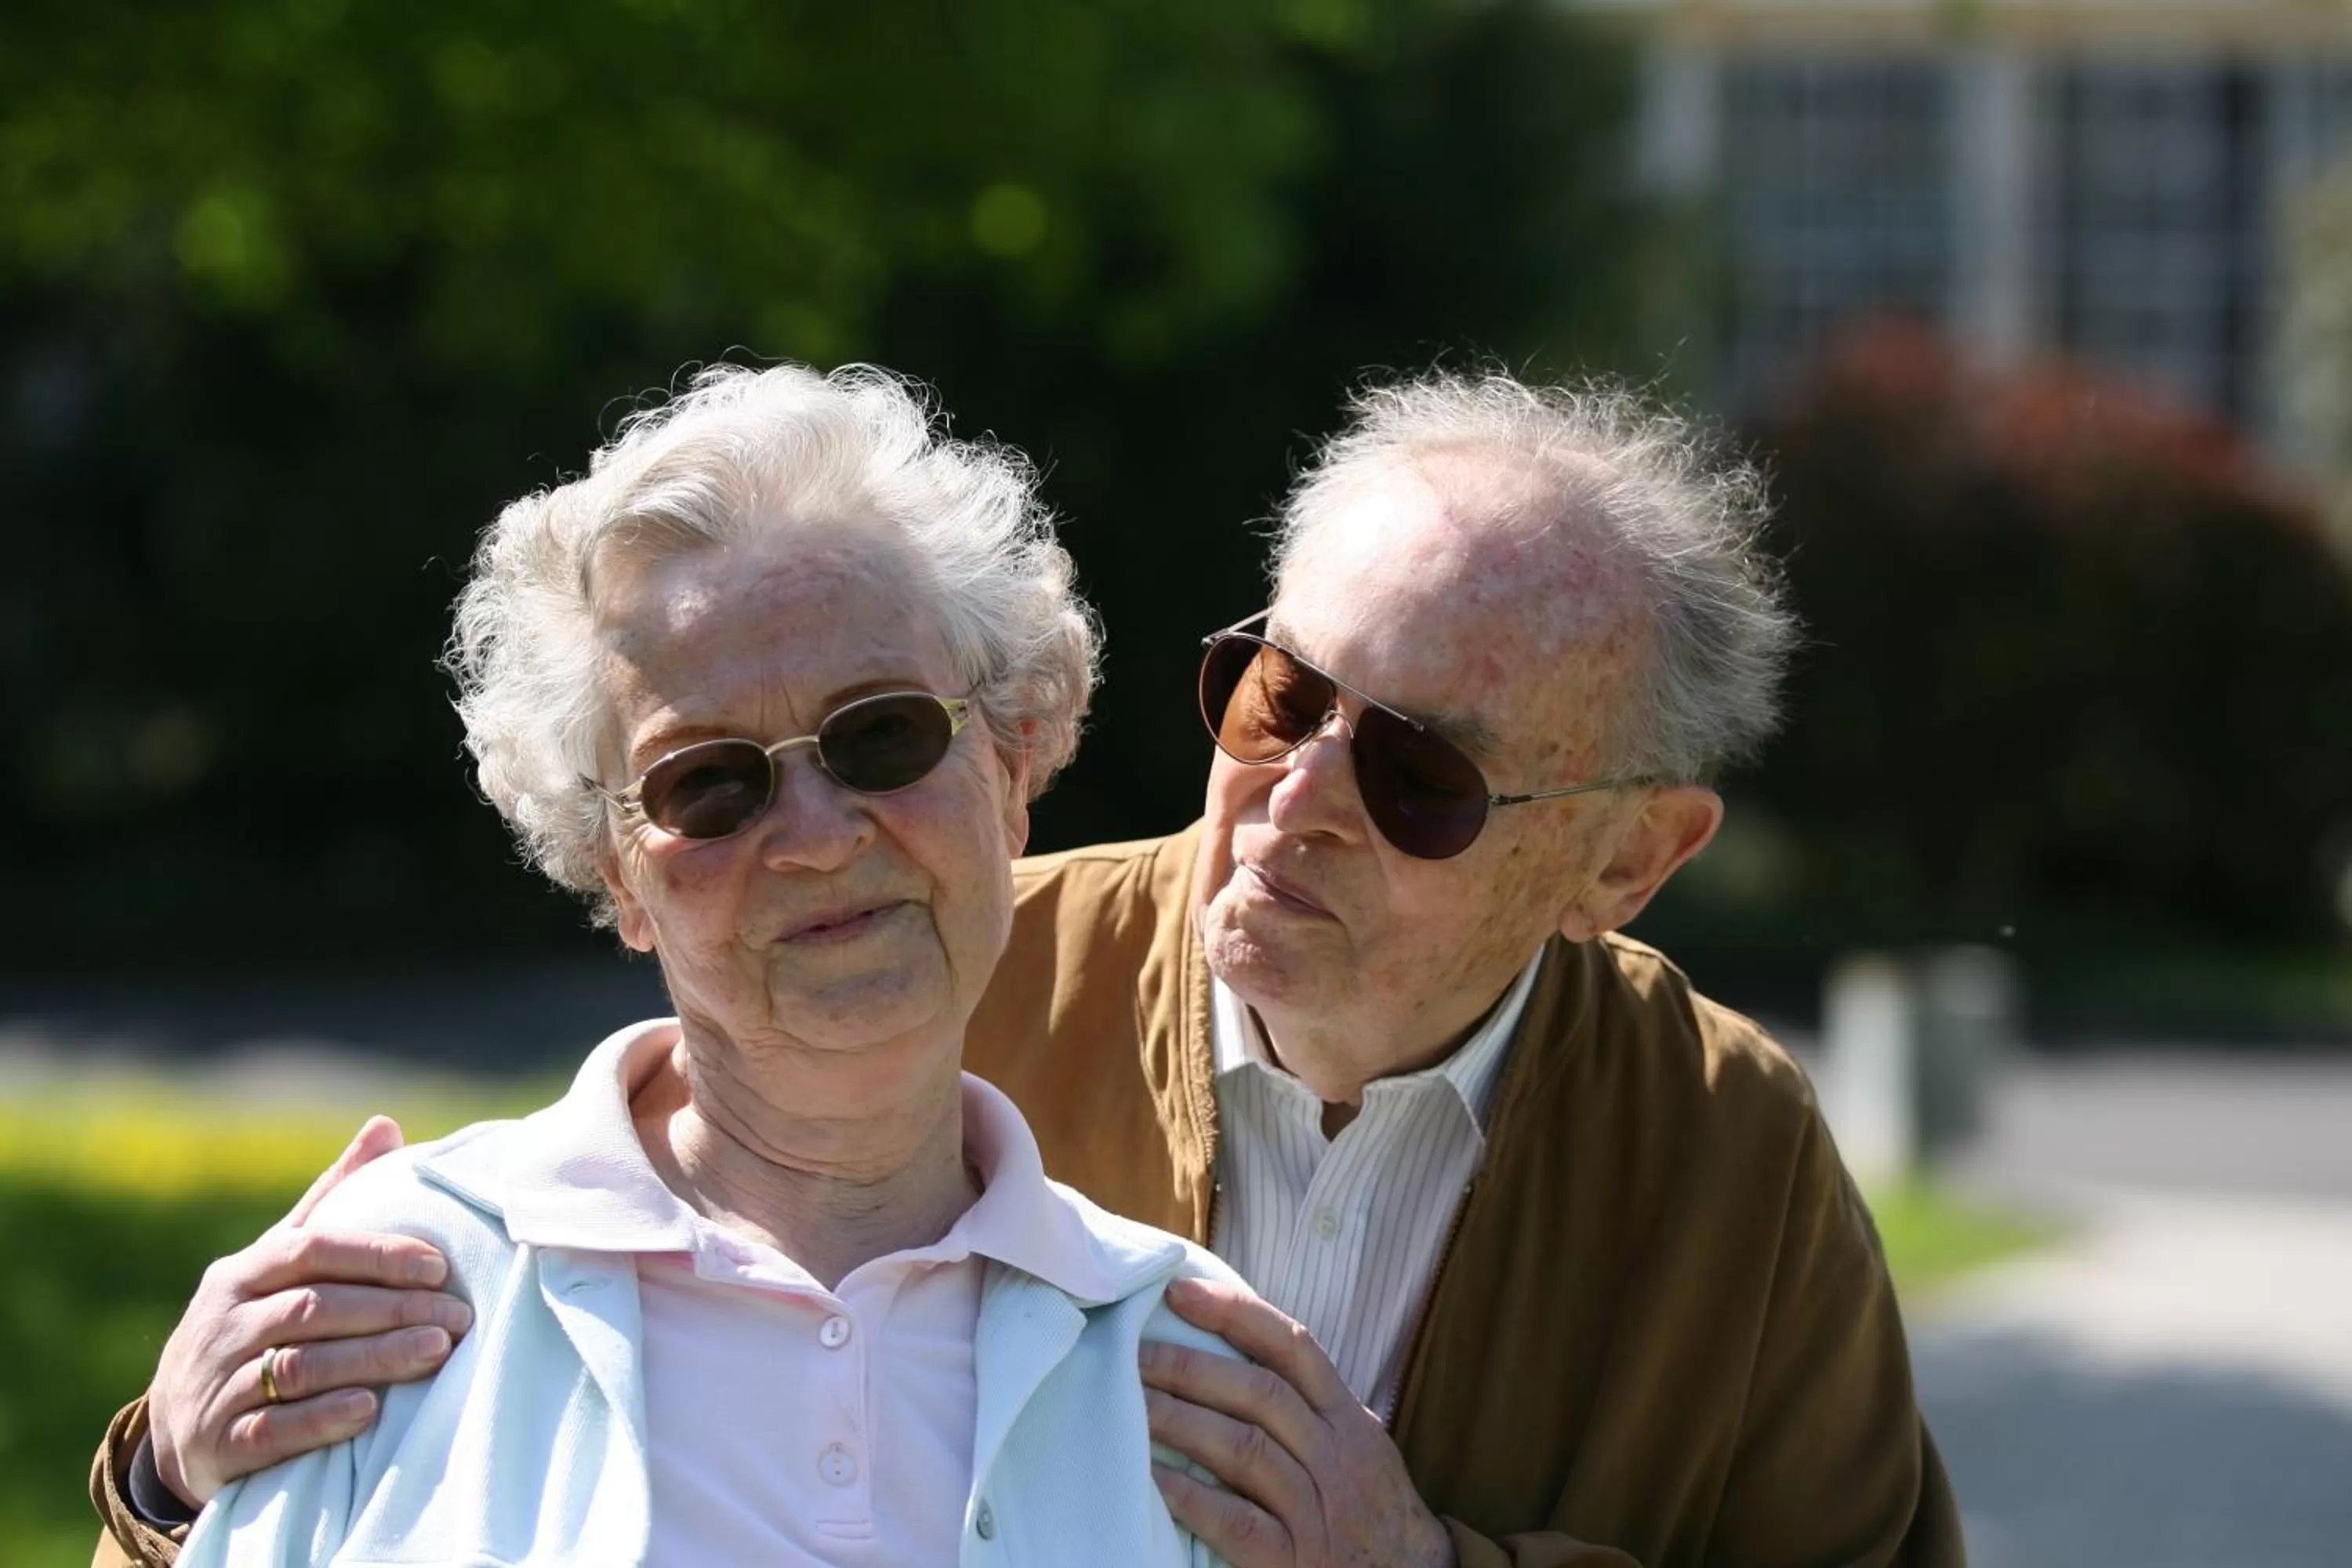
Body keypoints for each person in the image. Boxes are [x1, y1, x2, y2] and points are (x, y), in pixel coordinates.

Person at [96, 371, 1966, 1567]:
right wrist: (175, 1481)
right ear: (617, 862)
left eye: (1416, 770)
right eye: (1278, 693)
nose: (1293, 793)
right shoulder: (897, 974)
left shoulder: (1722, 1157)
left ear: (1627, 859)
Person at [139, 361, 1254, 1566]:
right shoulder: (402, 1285)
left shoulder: (1183, 1359)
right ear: (615, 872)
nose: (819, 841)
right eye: (709, 784)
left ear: (1012, 769)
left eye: (882, 733)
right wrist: (155, 1483)